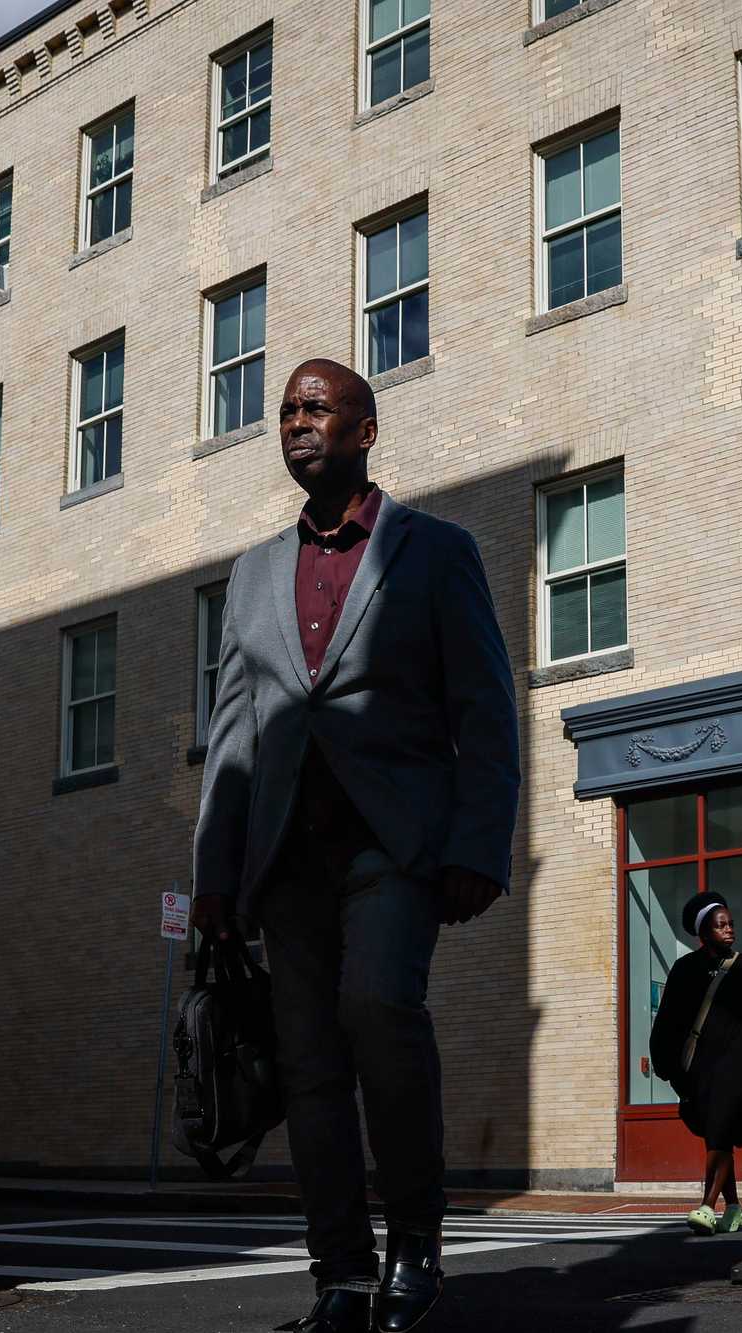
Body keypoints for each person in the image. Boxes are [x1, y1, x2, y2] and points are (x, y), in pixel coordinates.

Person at [191, 359, 520, 1333]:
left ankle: (415, 1245)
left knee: (378, 1011)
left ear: (365, 430)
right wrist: (213, 876)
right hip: (282, 856)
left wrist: (478, 845)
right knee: (308, 1067)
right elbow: (233, 734)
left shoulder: (433, 552)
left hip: (395, 846)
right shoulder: (250, 575)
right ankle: (339, 1273)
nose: (296, 421)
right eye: (285, 410)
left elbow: (484, 712)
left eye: (316, 407)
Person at [647, 892, 742, 1236]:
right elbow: (669, 1019)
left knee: (720, 1130)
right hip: (700, 1067)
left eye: (731, 924)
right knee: (717, 1136)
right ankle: (734, 1207)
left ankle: (706, 1205)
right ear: (703, 933)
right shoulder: (685, 969)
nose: (729, 930)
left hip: (741, 1065)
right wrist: (666, 1063)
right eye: (721, 926)